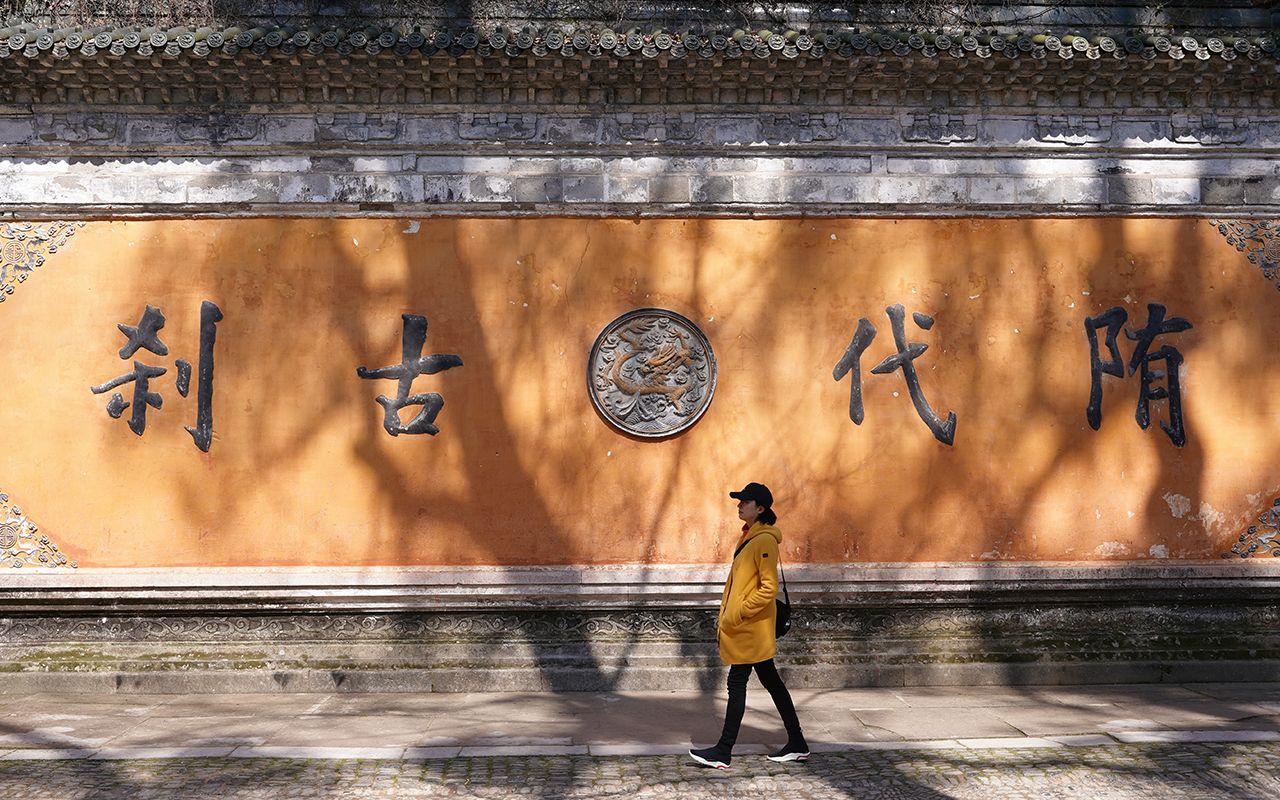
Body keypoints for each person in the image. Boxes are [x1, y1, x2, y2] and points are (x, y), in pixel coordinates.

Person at [689, 481, 809, 769]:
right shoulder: (749, 537)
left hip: (750, 628)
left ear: (761, 508)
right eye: (740, 501)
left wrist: (737, 613)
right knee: (772, 683)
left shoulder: (764, 540)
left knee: (737, 682)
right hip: (748, 628)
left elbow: (768, 588)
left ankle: (723, 750)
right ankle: (797, 743)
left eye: (745, 502)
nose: (740, 505)